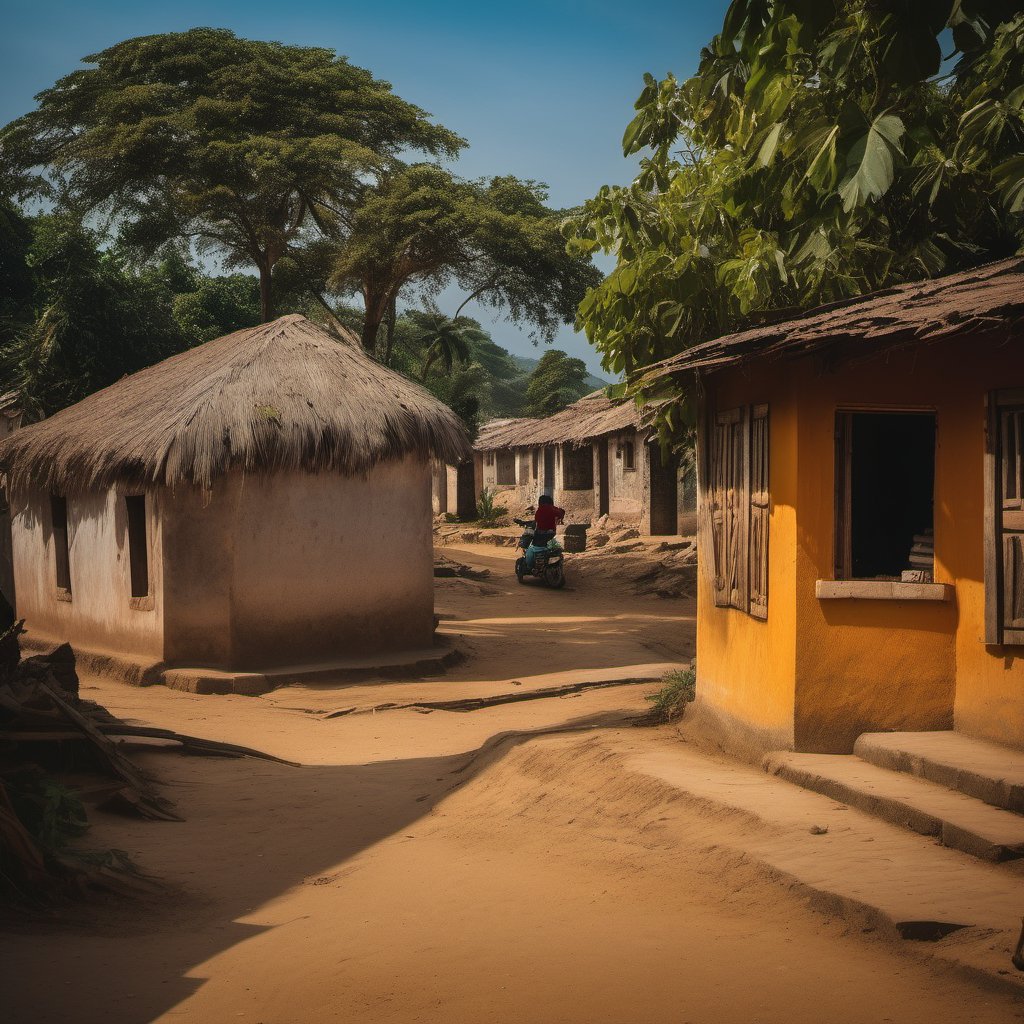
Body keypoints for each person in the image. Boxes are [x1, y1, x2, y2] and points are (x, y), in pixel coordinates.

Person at [525, 494, 565, 569]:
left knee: (533, 546)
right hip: (551, 534)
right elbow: (561, 512)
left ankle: (533, 563)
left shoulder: (539, 510)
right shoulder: (553, 509)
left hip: (539, 534)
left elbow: (536, 521)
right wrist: (561, 519)